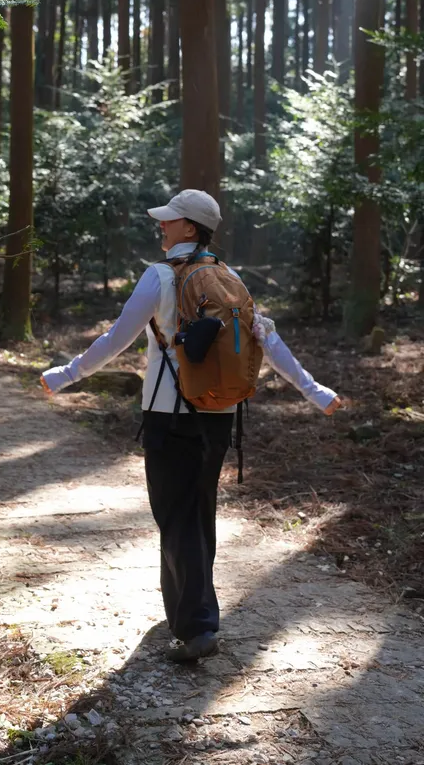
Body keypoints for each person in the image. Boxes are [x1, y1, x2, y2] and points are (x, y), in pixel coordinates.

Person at [41, 189, 341, 663]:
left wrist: (65, 374)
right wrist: (315, 391)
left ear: (189, 227)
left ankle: (198, 626)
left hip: (170, 415)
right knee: (198, 511)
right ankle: (184, 610)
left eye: (169, 220)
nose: (161, 226)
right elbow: (268, 339)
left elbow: (116, 338)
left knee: (175, 517)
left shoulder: (160, 276)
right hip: (220, 416)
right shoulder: (230, 278)